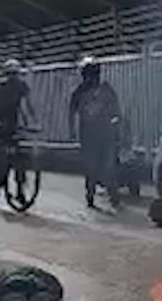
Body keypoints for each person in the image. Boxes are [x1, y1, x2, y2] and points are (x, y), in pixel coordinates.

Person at [68, 57, 122, 208]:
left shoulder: (105, 89)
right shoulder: (80, 92)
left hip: (104, 132)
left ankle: (112, 195)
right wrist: (72, 131)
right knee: (92, 166)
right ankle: (91, 194)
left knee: (108, 165)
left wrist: (117, 123)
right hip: (89, 134)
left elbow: (116, 109)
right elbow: (72, 111)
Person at [0, 58, 35, 144]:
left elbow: (26, 105)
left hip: (6, 121)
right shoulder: (19, 85)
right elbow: (26, 105)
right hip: (8, 121)